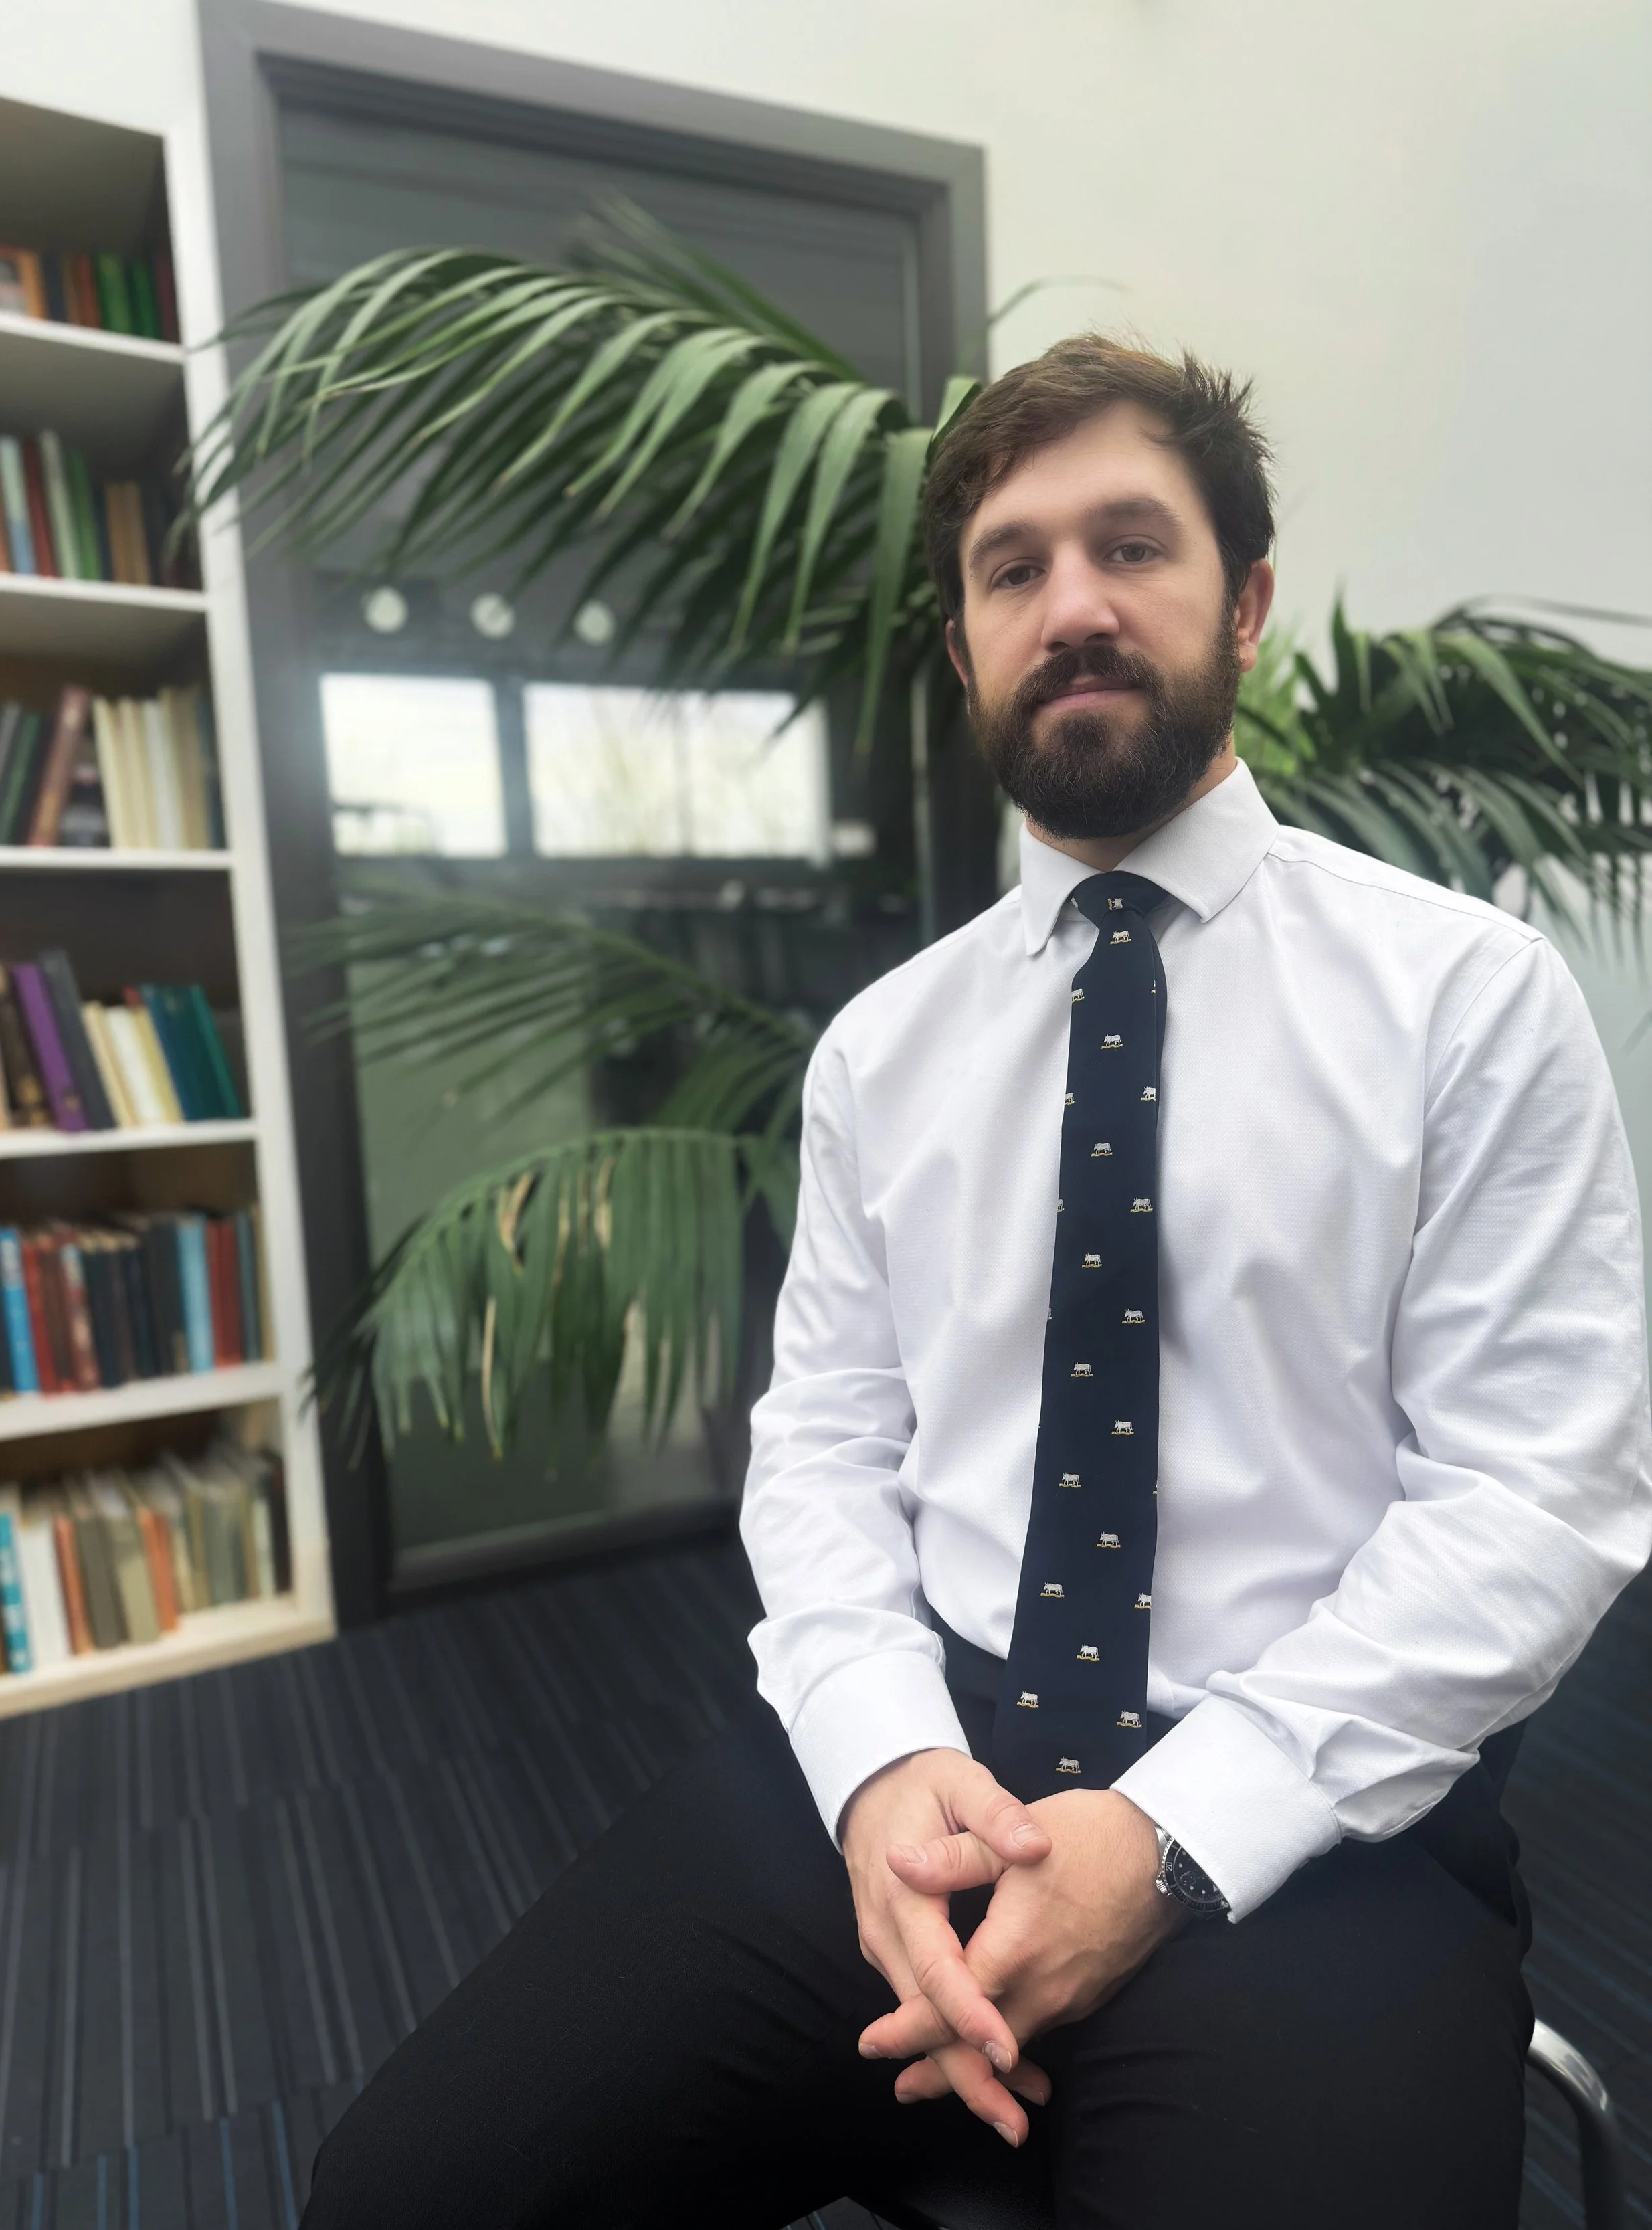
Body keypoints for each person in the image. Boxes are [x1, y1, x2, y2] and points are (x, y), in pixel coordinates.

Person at [302, 335, 1651, 2230]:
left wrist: (1175, 1830)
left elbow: (1536, 1497)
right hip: (919, 1755)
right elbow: (823, 1450)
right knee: (395, 2199)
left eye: (1129, 546)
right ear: (962, 647)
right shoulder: (880, 1050)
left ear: (1244, 601)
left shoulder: (1461, 1001)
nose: (1071, 605)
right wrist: (875, 1763)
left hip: (1314, 1809)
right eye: (1011, 568)